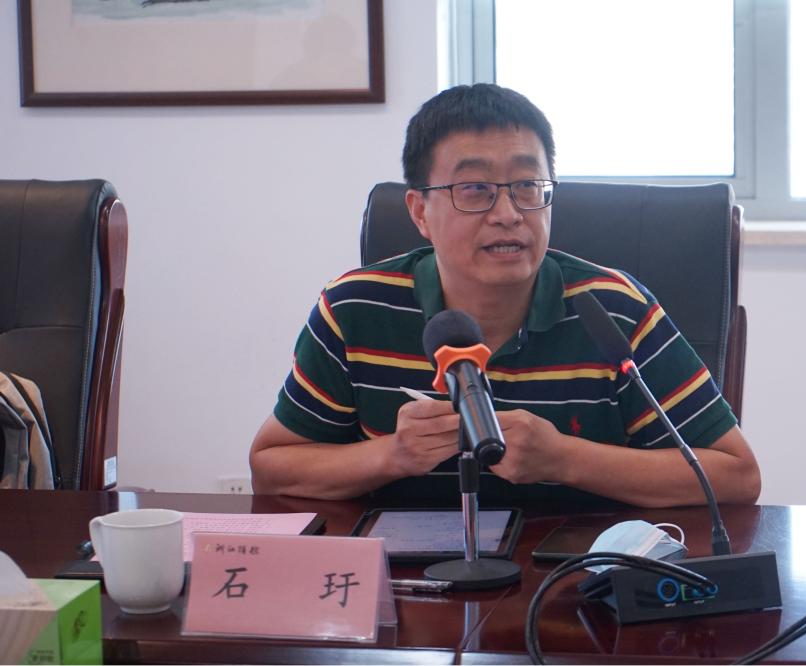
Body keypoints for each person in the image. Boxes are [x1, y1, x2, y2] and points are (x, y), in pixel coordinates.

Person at [249, 84, 760, 507]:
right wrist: (390, 456)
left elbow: (736, 475)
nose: (509, 214)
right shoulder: (354, 309)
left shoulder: (613, 309)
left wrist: (565, 459)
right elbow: (272, 466)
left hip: (580, 578)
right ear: (420, 212)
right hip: (404, 583)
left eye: (527, 186)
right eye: (475, 189)